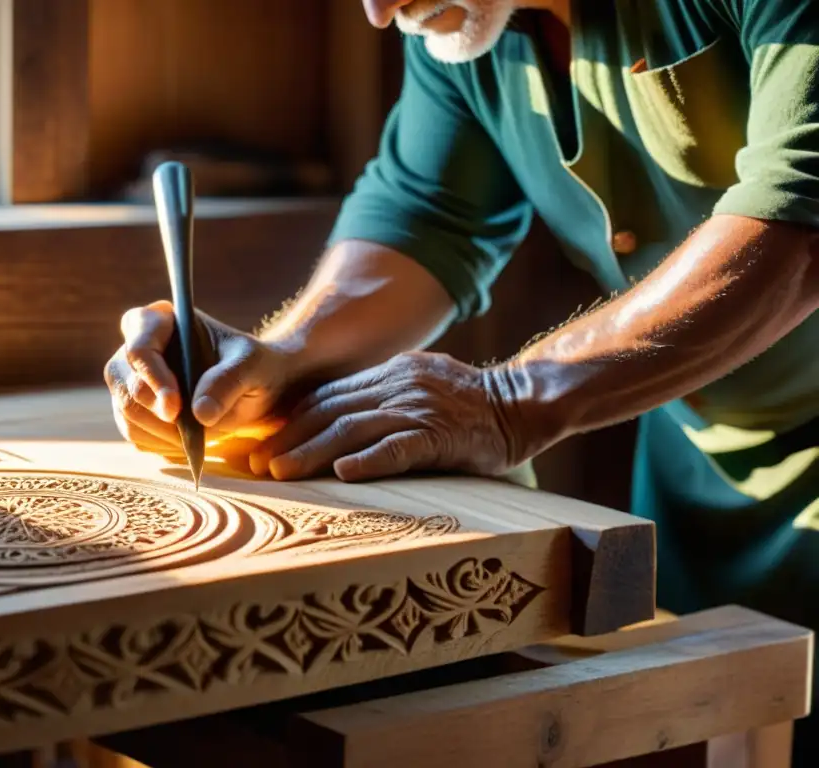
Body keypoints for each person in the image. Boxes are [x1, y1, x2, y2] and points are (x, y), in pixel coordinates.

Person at [104, 0, 818, 760]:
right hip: (694, 466)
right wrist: (280, 357)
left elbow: (802, 218)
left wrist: (510, 401)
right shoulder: (469, 21)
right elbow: (426, 217)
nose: (380, 13)